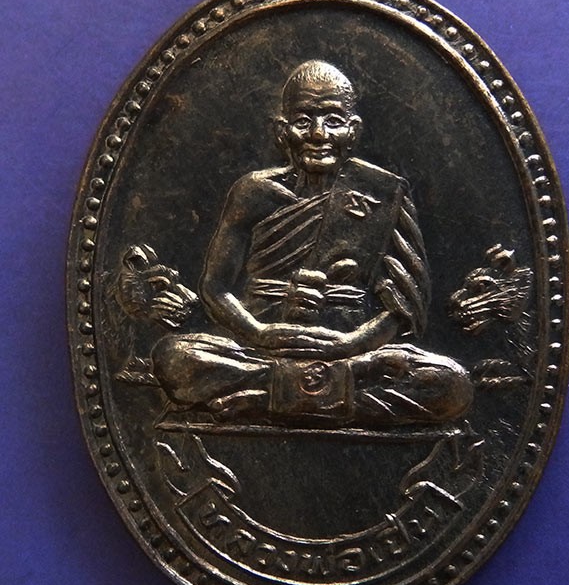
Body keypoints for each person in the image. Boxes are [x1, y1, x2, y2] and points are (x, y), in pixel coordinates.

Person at [152, 60, 472, 426]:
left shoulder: (383, 192)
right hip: (262, 349)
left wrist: (350, 344)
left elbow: (404, 307)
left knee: (452, 384)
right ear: (281, 131)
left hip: (351, 354)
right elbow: (215, 286)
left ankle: (265, 395)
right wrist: (258, 332)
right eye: (303, 121)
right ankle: (329, 394)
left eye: (333, 121)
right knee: (174, 358)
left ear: (353, 131)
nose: (319, 134)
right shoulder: (253, 192)